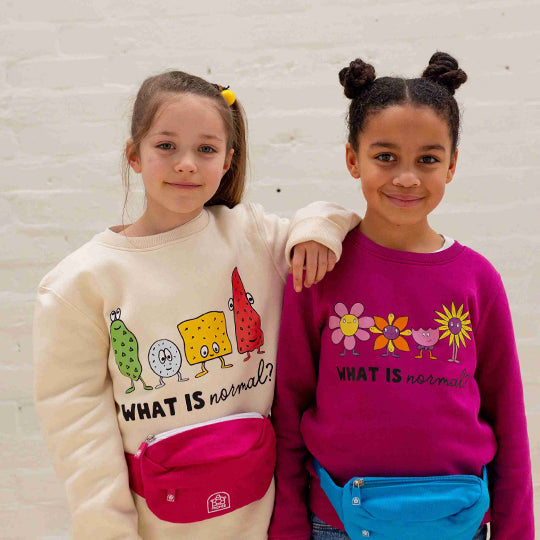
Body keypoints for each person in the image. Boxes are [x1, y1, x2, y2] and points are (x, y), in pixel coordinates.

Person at [33, 70, 361, 540]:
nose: (186, 163)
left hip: (261, 518)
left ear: (228, 161)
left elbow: (332, 215)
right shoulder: (79, 283)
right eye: (166, 146)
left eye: (206, 149)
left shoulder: (252, 235)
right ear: (134, 156)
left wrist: (315, 233)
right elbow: (80, 433)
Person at [269, 52, 534, 540]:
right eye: (385, 156)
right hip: (337, 525)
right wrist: (287, 527)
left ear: (452, 165)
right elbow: (287, 409)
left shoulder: (478, 279)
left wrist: (517, 530)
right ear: (353, 158)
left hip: (459, 525)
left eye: (428, 159)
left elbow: (510, 423)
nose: (406, 177)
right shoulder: (318, 269)